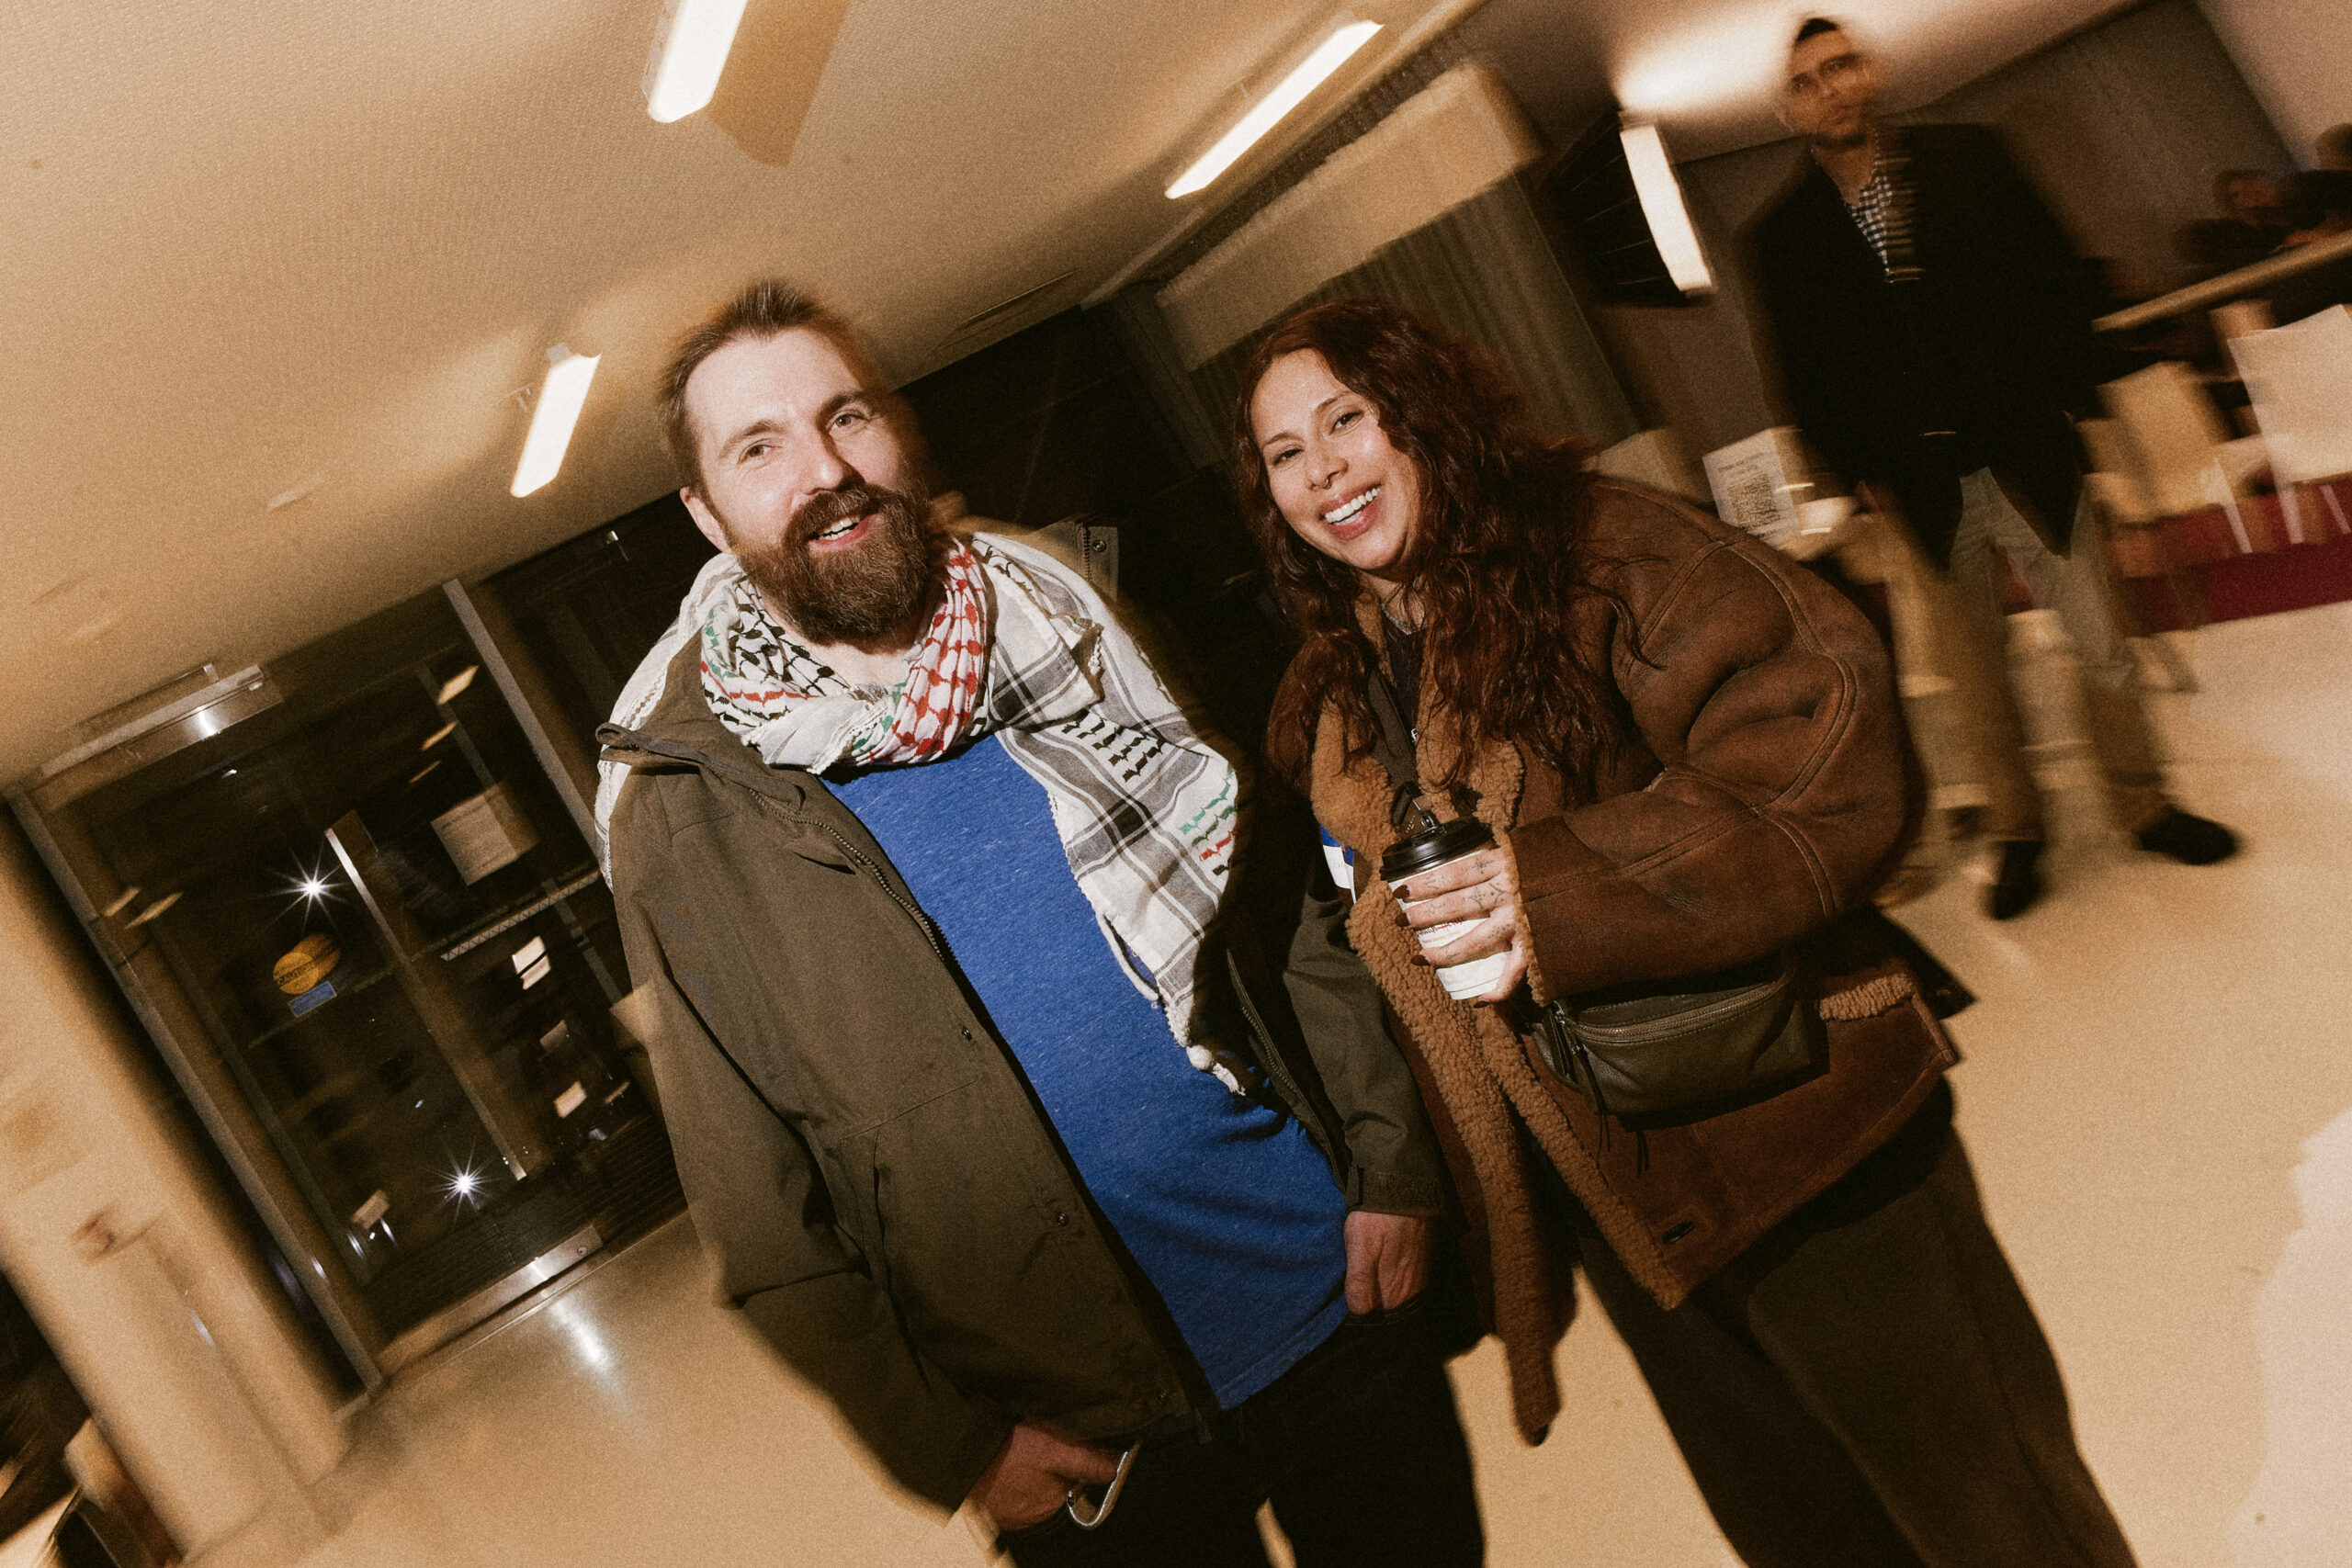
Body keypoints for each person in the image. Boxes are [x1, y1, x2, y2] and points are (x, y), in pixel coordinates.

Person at [1238, 296, 2143, 1568]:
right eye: (1284, 452)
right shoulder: (1334, 686)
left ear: (1423, 412)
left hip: (1808, 1141)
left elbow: (1819, 734)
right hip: (1626, 1204)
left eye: (1347, 419)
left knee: (1997, 1523)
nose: (1323, 469)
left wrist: (1546, 895)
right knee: (1811, 1541)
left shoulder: (1601, 549)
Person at [593, 279, 1482, 1566]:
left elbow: (1276, 898)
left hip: (1329, 1304)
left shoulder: (1071, 613)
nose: (826, 472)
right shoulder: (682, 809)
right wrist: (952, 1446)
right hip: (1085, 1450)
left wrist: (1391, 1163)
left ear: (900, 430)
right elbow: (759, 1211)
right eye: (759, 447)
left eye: (847, 416)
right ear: (706, 514)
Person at [1747, 17, 2237, 920]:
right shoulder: (1779, 237)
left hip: (2026, 451)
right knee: (1974, 673)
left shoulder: (1974, 158)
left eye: (1841, 65)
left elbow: (2056, 282)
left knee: (2100, 640)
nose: (1831, 88)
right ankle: (2017, 832)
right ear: (1788, 108)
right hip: (1916, 491)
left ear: (1869, 70)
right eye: (1808, 81)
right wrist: (1856, 475)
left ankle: (2144, 805)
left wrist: (2068, 406)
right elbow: (1802, 376)